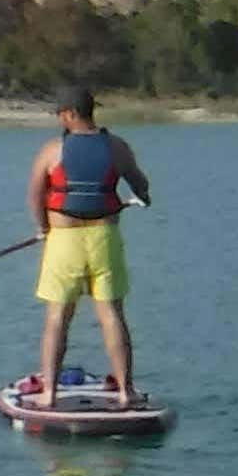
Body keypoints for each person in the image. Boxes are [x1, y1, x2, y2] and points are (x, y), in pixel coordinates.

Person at [26, 88, 151, 404]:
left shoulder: (53, 150)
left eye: (60, 114)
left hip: (63, 241)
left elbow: (35, 195)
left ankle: (49, 394)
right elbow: (141, 184)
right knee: (111, 314)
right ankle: (126, 392)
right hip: (103, 239)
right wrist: (142, 198)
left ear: (69, 114)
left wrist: (43, 228)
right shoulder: (117, 147)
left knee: (58, 317)